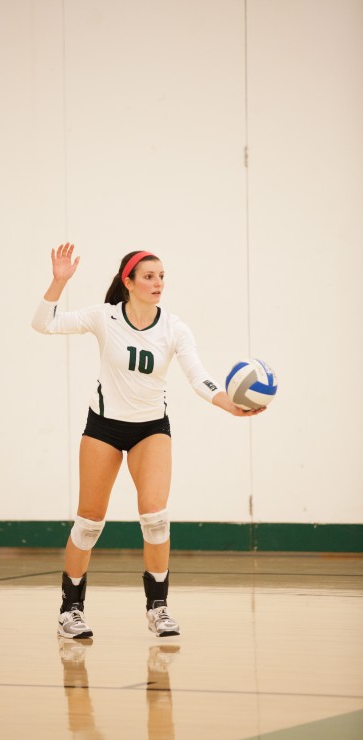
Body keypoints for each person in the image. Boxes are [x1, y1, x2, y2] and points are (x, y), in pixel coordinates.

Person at [32, 243, 264, 640]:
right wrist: (59, 281)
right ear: (129, 282)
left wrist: (227, 403)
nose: (158, 283)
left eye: (162, 277)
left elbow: (197, 376)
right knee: (88, 524)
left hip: (150, 428)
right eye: (149, 277)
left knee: (156, 518)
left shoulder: (174, 328)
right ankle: (70, 611)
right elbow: (43, 323)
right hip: (104, 427)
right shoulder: (104, 317)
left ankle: (158, 608)